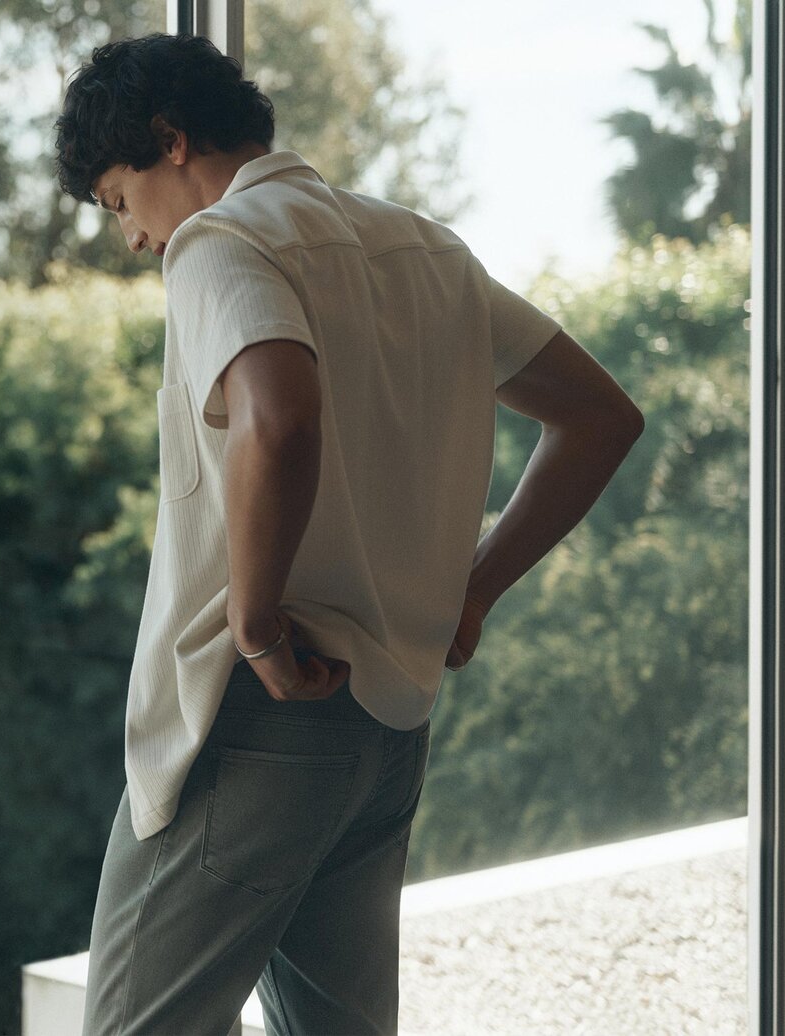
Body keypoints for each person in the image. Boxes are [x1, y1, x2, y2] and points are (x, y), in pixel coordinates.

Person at [52, 32, 646, 1035]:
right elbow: (599, 417)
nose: (133, 239)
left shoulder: (222, 243)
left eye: (119, 202)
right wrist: (472, 587)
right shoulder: (426, 250)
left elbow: (278, 419)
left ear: (169, 139)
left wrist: (251, 627)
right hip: (383, 735)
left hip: (252, 721)